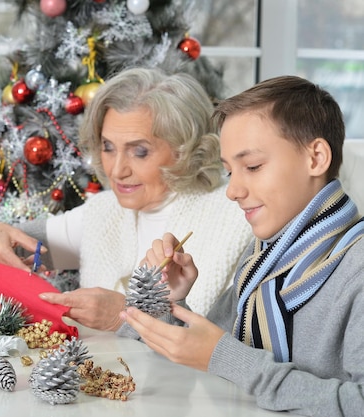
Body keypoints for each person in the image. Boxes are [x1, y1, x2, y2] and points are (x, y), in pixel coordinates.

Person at [119, 75, 364, 417]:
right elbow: (213, 357)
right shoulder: (263, 257)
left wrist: (224, 357)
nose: (233, 190)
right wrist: (169, 301)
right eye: (230, 171)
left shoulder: (357, 269)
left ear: (316, 158)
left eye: (252, 166)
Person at [0, 67, 252, 330]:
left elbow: (227, 348)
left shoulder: (237, 217)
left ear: (186, 148)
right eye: (107, 147)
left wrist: (124, 316)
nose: (116, 170)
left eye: (139, 151)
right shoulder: (102, 212)